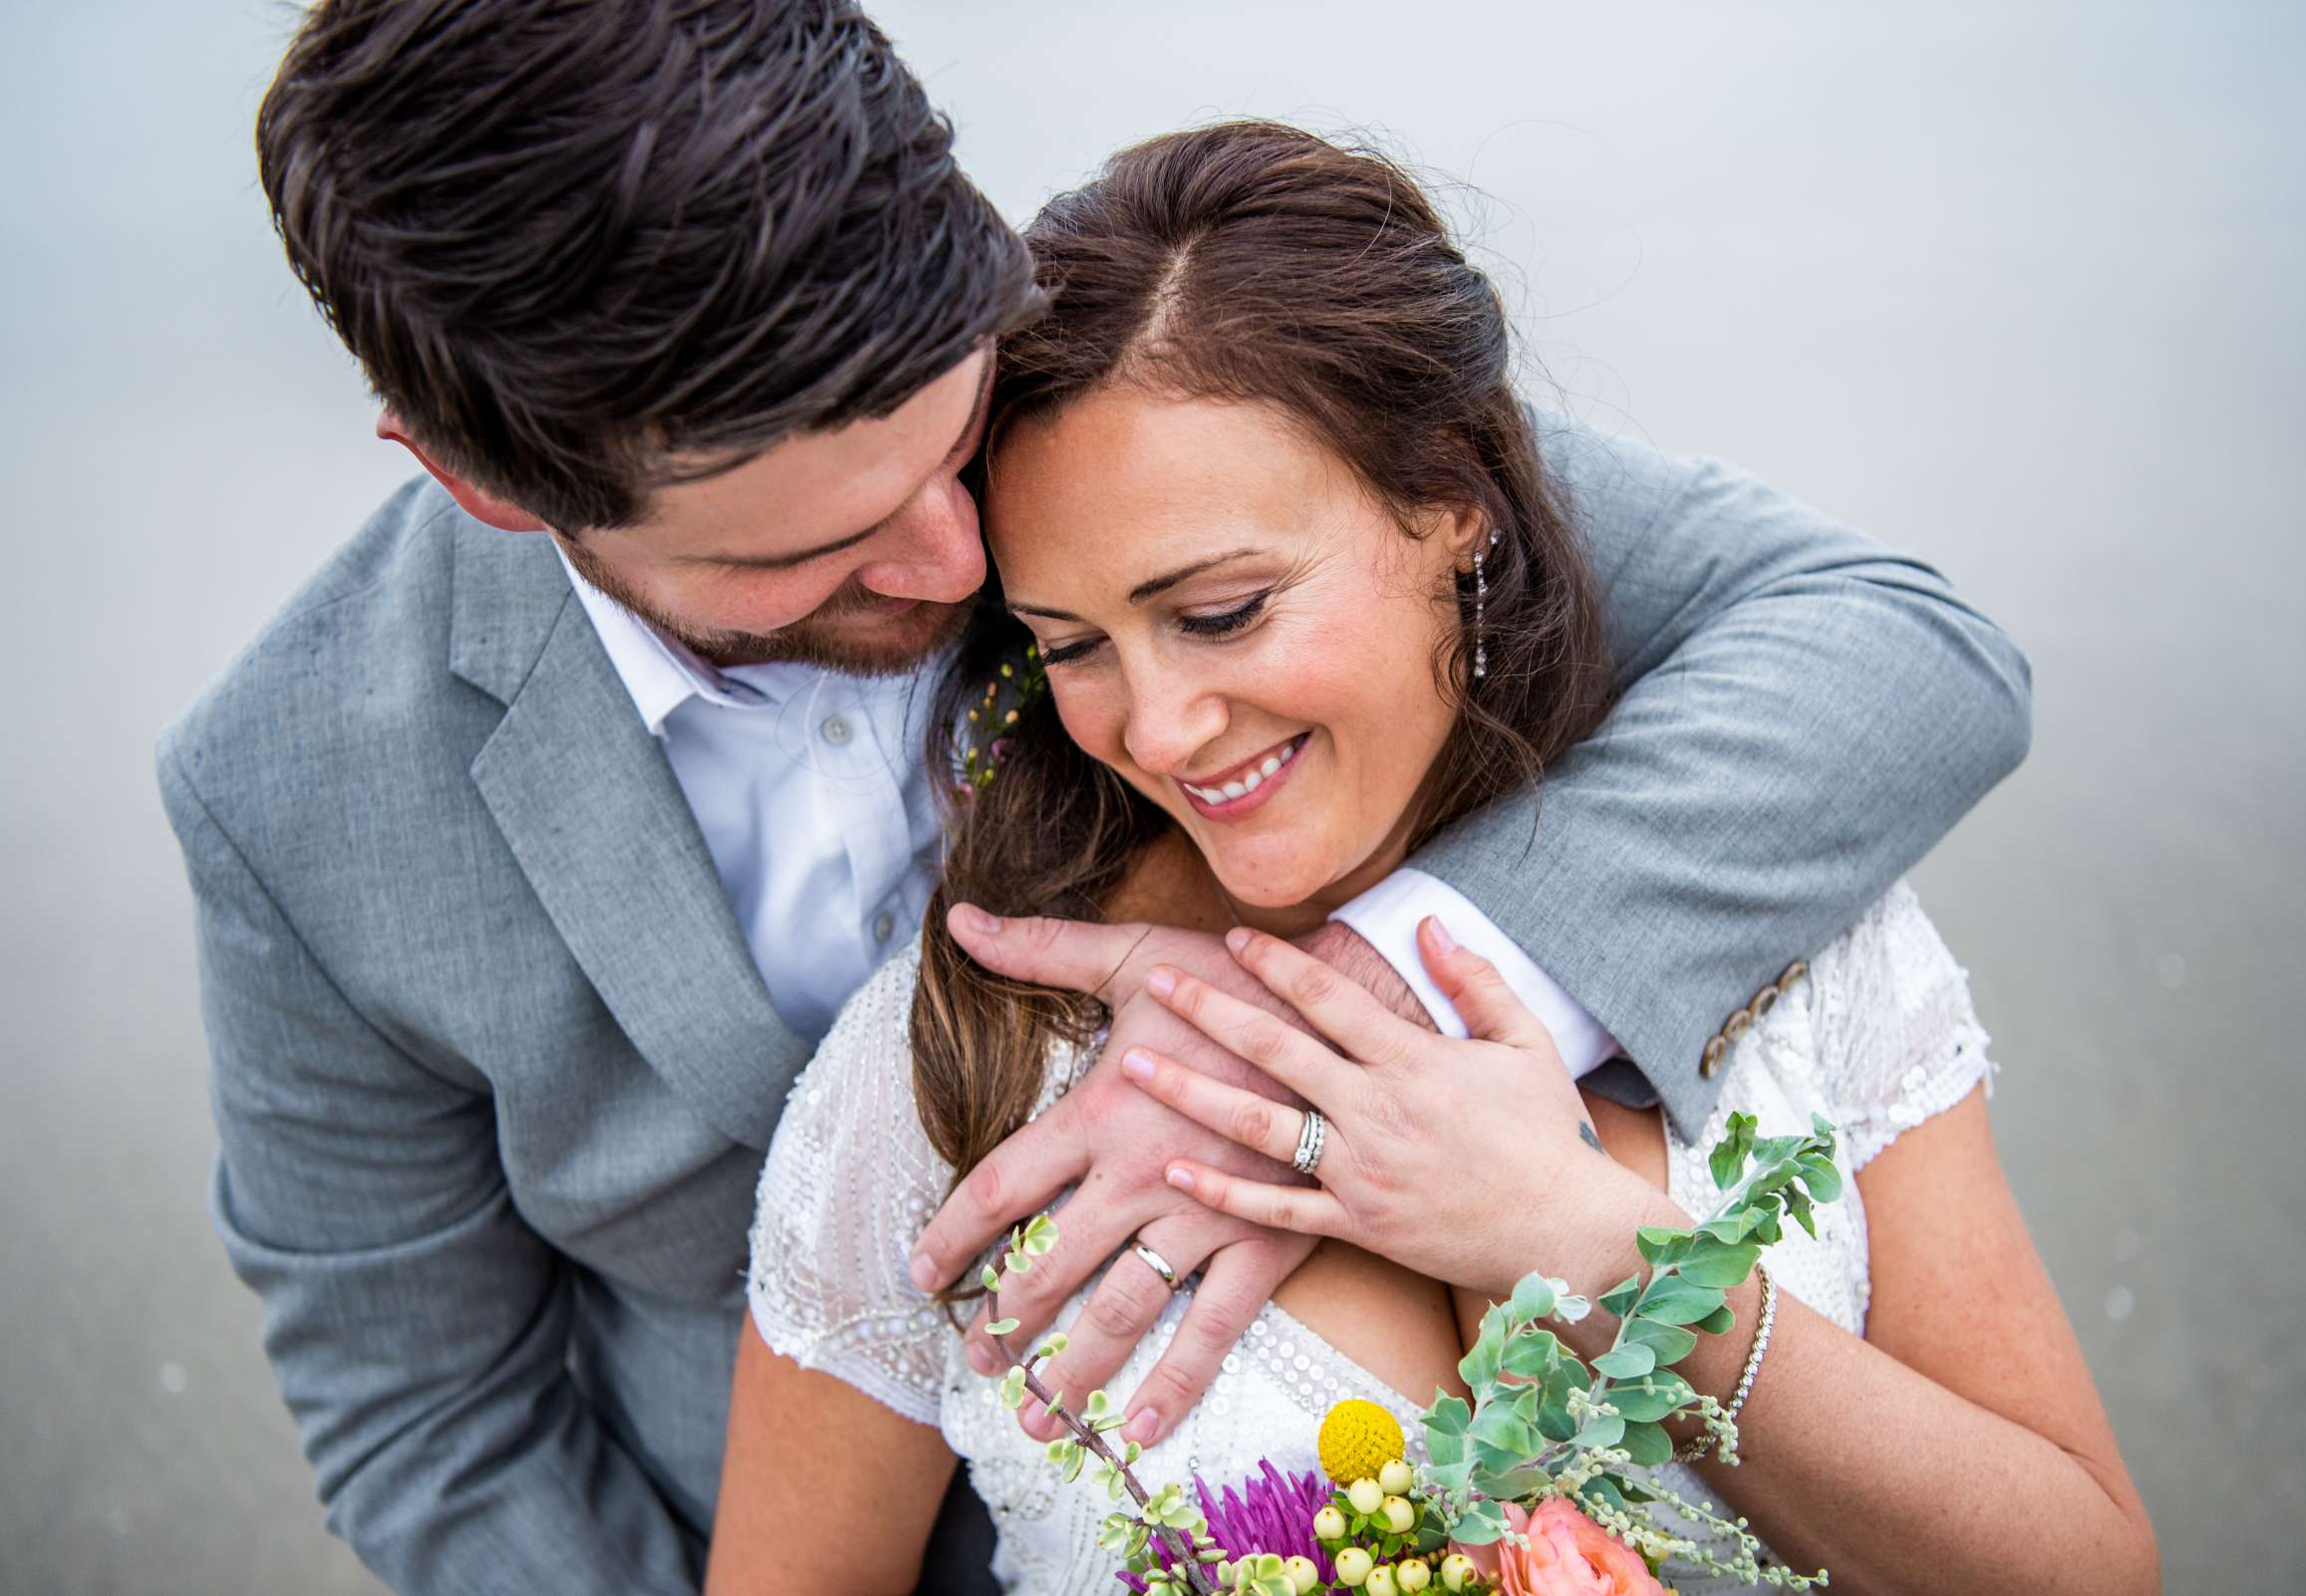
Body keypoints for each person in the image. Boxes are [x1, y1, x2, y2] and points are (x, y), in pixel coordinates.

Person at [158, 7, 2027, 1596]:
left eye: (948, 427)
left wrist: (1363, 998)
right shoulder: (293, 798)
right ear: (495, 485)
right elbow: (432, 1419)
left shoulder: (1126, 384)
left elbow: (1889, 642)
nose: (962, 552)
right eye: (820, 542)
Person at [715, 122, 2153, 1595]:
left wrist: (1604, 1253)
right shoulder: (957, 1062)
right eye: (1070, 645)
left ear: (1456, 499)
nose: (1158, 726)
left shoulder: (1789, 910)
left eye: (1221, 610)